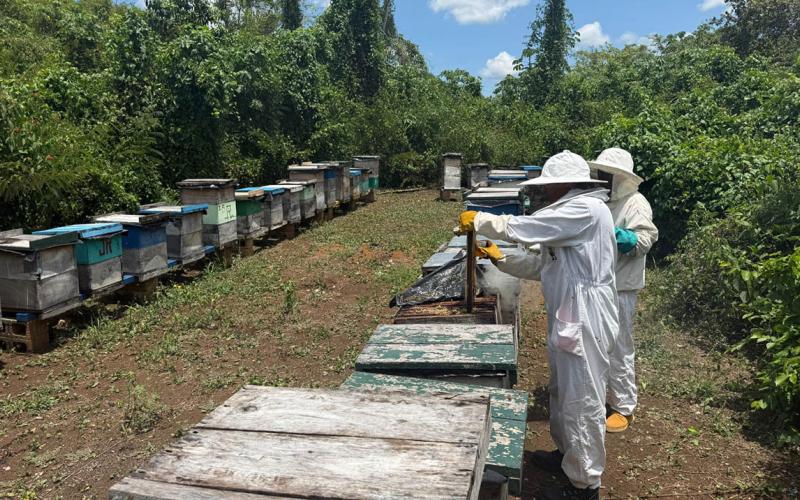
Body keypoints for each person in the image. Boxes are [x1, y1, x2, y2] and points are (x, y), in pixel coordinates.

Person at [459, 151, 618, 500]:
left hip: (586, 315)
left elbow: (525, 227)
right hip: (569, 311)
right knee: (562, 390)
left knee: (584, 397)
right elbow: (543, 268)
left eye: (549, 187)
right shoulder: (571, 216)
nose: (545, 193)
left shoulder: (586, 210)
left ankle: (585, 484)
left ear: (566, 184)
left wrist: (482, 219)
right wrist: (502, 259)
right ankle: (567, 456)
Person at [588, 148, 659, 433]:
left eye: (608, 175)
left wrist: (615, 235)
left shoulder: (635, 202)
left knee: (619, 347)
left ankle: (624, 407)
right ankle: (601, 397)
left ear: (621, 178)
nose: (603, 178)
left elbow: (645, 239)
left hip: (621, 287)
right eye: (601, 173)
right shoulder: (602, 202)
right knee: (597, 344)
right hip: (599, 283)